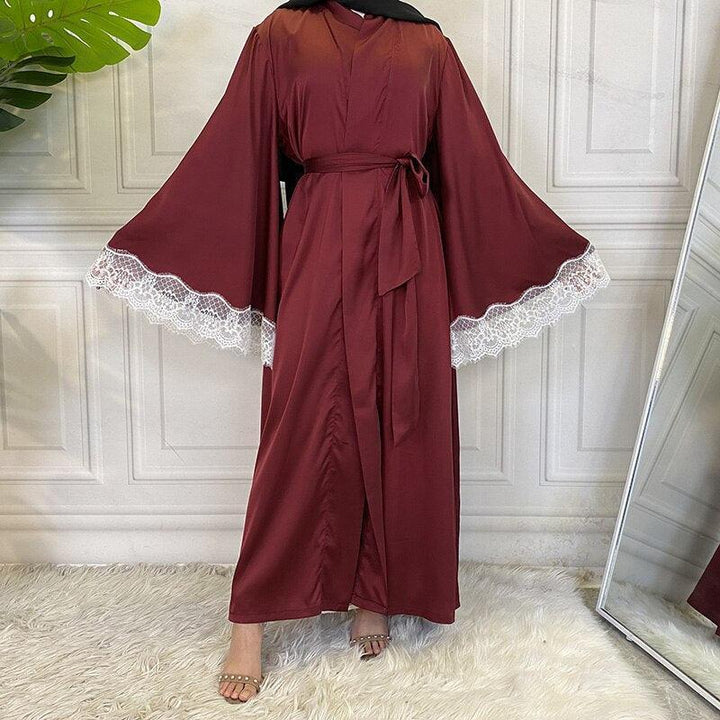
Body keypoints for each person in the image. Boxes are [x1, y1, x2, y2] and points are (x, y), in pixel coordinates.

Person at [85, 0, 611, 703]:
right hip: (318, 236)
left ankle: (375, 589)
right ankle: (249, 618)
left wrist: (548, 247)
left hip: (409, 248)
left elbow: (473, 164)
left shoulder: (428, 43)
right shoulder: (280, 33)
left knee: (402, 416)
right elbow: (235, 149)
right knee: (301, 424)